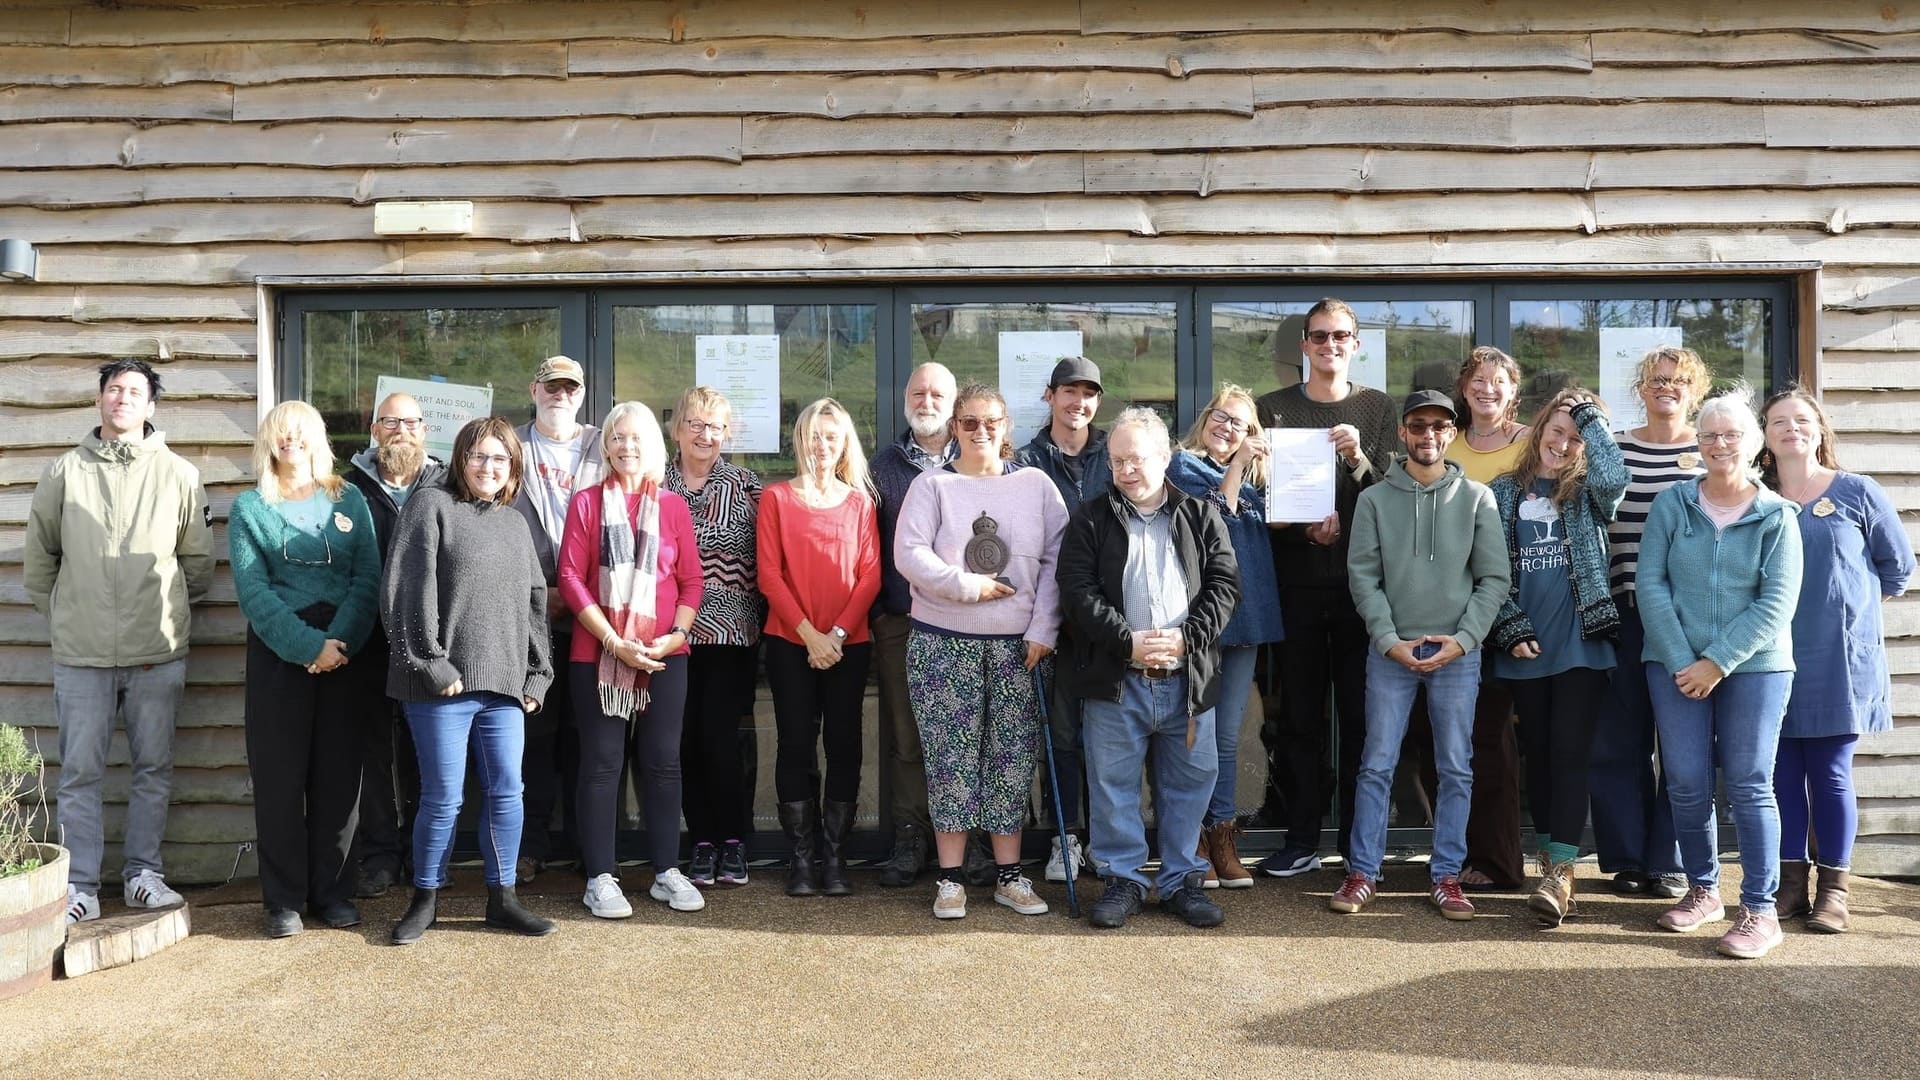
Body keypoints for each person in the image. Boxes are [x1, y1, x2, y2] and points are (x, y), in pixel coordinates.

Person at [25, 359, 214, 925]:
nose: (123, 399)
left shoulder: (179, 474)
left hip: (156, 653)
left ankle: (142, 876)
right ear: (100, 400)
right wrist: (65, 614)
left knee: (153, 768)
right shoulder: (64, 471)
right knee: (80, 773)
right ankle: (79, 886)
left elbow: (197, 562)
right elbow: (41, 559)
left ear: (152, 406)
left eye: (135, 391)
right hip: (81, 655)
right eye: (114, 389)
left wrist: (172, 613)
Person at [1059, 406, 1238, 929]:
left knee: (1189, 784)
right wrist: (1127, 643)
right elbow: (1076, 593)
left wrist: (1186, 640)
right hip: (1117, 680)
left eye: (1135, 459)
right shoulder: (1090, 518)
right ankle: (1124, 881)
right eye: (1116, 461)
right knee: (1113, 785)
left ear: (1165, 457)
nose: (1125, 471)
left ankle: (1183, 881)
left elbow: (1226, 588)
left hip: (1187, 681)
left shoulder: (1200, 515)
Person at [1332, 390, 1508, 921]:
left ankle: (1447, 876)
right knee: (1376, 765)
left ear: (1450, 433)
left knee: (1456, 768)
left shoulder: (1478, 498)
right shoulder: (1373, 500)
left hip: (1457, 652)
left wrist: (1463, 639)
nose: (1428, 434)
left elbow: (1494, 580)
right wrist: (1389, 640)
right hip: (1391, 652)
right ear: (1404, 433)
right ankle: (1363, 871)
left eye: (1438, 425)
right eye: (1418, 425)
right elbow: (1363, 576)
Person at [1638, 387, 1802, 959]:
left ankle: (1759, 908)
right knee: (1684, 781)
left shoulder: (1778, 516)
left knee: (1751, 783)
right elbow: (1650, 585)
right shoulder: (1671, 505)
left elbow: (1776, 603)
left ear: (1754, 445)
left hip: (1755, 667)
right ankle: (1704, 891)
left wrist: (1718, 661)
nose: (1719, 444)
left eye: (1731, 434)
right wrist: (1684, 660)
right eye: (1709, 435)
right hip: (1673, 664)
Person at [896, 384, 1067, 920]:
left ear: (1007, 425)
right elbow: (909, 554)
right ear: (954, 428)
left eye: (991, 421)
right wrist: (966, 585)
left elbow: (1059, 563)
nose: (980, 431)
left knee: (1011, 761)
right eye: (968, 422)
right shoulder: (931, 486)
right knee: (950, 761)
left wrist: (1044, 628)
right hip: (943, 642)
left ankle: (1009, 877)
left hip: (1021, 646)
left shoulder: (1037, 485)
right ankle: (949, 880)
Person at [383, 416, 556, 945]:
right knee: (442, 797)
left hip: (505, 685)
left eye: (500, 459)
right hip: (442, 684)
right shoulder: (431, 506)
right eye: (479, 456)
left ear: (512, 468)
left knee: (509, 791)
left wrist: (537, 672)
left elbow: (534, 602)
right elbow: (402, 591)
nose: (488, 466)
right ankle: (425, 899)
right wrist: (432, 664)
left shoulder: (514, 524)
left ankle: (502, 899)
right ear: (461, 459)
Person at [1254, 299, 1399, 878]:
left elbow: (1396, 500)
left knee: (1365, 720)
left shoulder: (1377, 408)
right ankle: (1301, 839)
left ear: (1356, 343)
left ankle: (1364, 847)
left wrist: (1360, 460)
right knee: (1299, 721)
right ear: (1305, 346)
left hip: (1363, 591)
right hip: (1295, 584)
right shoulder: (1274, 410)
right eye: (1319, 336)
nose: (1329, 345)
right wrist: (1298, 527)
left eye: (1341, 336)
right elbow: (1255, 502)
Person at [228, 401, 383, 938]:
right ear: (269, 442)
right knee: (280, 780)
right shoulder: (249, 508)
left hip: (346, 651)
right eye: (280, 433)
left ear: (318, 439)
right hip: (279, 653)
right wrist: (306, 647)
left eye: (300, 433)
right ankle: (284, 902)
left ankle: (334, 893)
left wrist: (338, 642)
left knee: (339, 780)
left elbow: (368, 577)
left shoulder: (350, 498)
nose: (290, 441)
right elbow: (254, 592)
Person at [1760, 388, 1912, 933]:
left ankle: (1835, 893)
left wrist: (1849, 608)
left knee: (1829, 773)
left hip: (1840, 661)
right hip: (1770, 657)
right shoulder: (1757, 495)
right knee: (1779, 777)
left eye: (1802, 420)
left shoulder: (1857, 492)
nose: (1791, 429)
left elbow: (1897, 569)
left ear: (1821, 429)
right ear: (1765, 435)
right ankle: (1790, 889)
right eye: (1779, 421)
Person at [1486, 390, 1627, 927]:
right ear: (1539, 428)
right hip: (1523, 645)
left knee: (1569, 754)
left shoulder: (1590, 492)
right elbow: (1489, 567)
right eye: (1557, 430)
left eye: (1575, 435)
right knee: (1539, 757)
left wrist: (1591, 415)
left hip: (1581, 647)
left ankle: (1561, 874)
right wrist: (1509, 626)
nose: (1563, 443)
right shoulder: (1502, 492)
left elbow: (1616, 477)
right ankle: (1550, 859)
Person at [560, 402, 706, 917]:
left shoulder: (672, 507)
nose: (627, 446)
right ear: (607, 445)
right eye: (618, 438)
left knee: (663, 764)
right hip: (598, 655)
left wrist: (674, 635)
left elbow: (691, 581)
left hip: (666, 654)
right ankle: (601, 876)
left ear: (653, 446)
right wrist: (612, 640)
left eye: (637, 438)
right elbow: (571, 579)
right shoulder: (586, 503)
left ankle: (666, 870)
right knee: (602, 764)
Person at [1591, 345, 1706, 898]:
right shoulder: (1615, 449)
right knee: (1620, 739)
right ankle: (1627, 859)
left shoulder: (1710, 451)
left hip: (1692, 618)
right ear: (1641, 388)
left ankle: (1669, 860)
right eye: (1658, 380)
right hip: (1625, 611)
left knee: (1681, 742)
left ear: (1695, 391)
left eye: (1679, 381)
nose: (1668, 388)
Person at [758, 399, 882, 897]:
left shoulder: (860, 503)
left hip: (848, 644)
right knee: (794, 745)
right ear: (800, 440)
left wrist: (835, 636)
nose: (822, 445)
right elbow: (769, 574)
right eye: (813, 435)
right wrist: (810, 634)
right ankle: (802, 858)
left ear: (844, 443)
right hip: (790, 641)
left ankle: (835, 856)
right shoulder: (777, 499)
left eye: (831, 436)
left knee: (845, 745)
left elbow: (870, 576)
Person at [1167, 385, 1283, 889]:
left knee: (1230, 736)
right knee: (1198, 735)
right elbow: (1211, 515)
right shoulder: (1182, 466)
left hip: (1248, 621)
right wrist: (1239, 464)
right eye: (1221, 416)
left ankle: (1221, 835)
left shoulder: (1257, 484)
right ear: (1204, 418)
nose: (1228, 427)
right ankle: (1189, 838)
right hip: (1203, 622)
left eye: (1240, 424)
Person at [343, 390, 446, 899]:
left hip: (431, 644)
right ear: (373, 428)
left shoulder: (447, 485)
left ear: (426, 429)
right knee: (373, 753)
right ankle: (381, 855)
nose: (400, 431)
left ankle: (426, 856)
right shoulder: (346, 489)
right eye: (390, 421)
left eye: (410, 422)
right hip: (367, 645)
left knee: (427, 751)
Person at [1015, 356, 1112, 884]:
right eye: (1069, 392)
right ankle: (1065, 839)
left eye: (1089, 394)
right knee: (1062, 736)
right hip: (1051, 622)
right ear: (1050, 397)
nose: (1079, 403)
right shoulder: (1025, 461)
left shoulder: (1112, 454)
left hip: (1109, 619)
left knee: (1108, 735)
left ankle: (1106, 839)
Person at [665, 387, 764, 890]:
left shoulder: (747, 485)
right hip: (668, 638)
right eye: (697, 424)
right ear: (677, 429)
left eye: (716, 427)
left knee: (721, 741)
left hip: (730, 635)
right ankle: (701, 840)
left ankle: (734, 841)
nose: (706, 435)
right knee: (682, 740)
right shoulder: (652, 484)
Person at [510, 354, 603, 884]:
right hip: (528, 615)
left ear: (582, 395)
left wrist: (582, 595)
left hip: (593, 615)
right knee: (533, 737)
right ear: (534, 389)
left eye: (570, 388)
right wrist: (537, 592)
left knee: (588, 736)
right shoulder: (510, 446)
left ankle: (589, 848)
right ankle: (530, 846)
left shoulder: (602, 443)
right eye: (551, 387)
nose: (560, 396)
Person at [1442, 346, 1531, 892]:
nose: (1487, 389)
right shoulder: (1444, 445)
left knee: (1497, 742)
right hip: (1457, 610)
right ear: (1464, 387)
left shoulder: (1531, 445)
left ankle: (1503, 864)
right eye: (1478, 380)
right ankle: (1462, 855)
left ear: (1513, 391)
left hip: (1520, 605)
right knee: (1460, 742)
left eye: (1498, 381)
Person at [869, 362, 958, 887]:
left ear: (952, 401)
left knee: (962, 735)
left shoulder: (978, 460)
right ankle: (910, 836)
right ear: (905, 397)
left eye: (937, 393)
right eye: (918, 391)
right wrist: (881, 610)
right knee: (907, 737)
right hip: (901, 621)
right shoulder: (883, 466)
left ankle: (963, 838)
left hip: (965, 622)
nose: (927, 400)